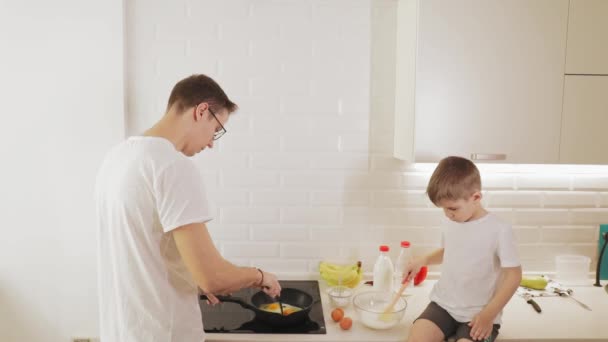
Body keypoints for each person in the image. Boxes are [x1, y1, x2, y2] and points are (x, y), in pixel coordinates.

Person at [95, 74, 282, 342]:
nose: (211, 143)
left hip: (120, 332)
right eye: (216, 129)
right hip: (162, 333)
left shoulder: (115, 158)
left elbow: (140, 251)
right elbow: (212, 278)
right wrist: (259, 275)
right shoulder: (171, 166)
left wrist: (189, 277)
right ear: (202, 111)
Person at [404, 156, 522, 342]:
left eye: (453, 208)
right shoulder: (451, 220)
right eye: (443, 209)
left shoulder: (499, 229)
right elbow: (448, 251)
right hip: (443, 305)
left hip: (480, 314)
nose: (448, 214)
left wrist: (488, 316)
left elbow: (514, 276)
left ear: (476, 197)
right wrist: (423, 260)